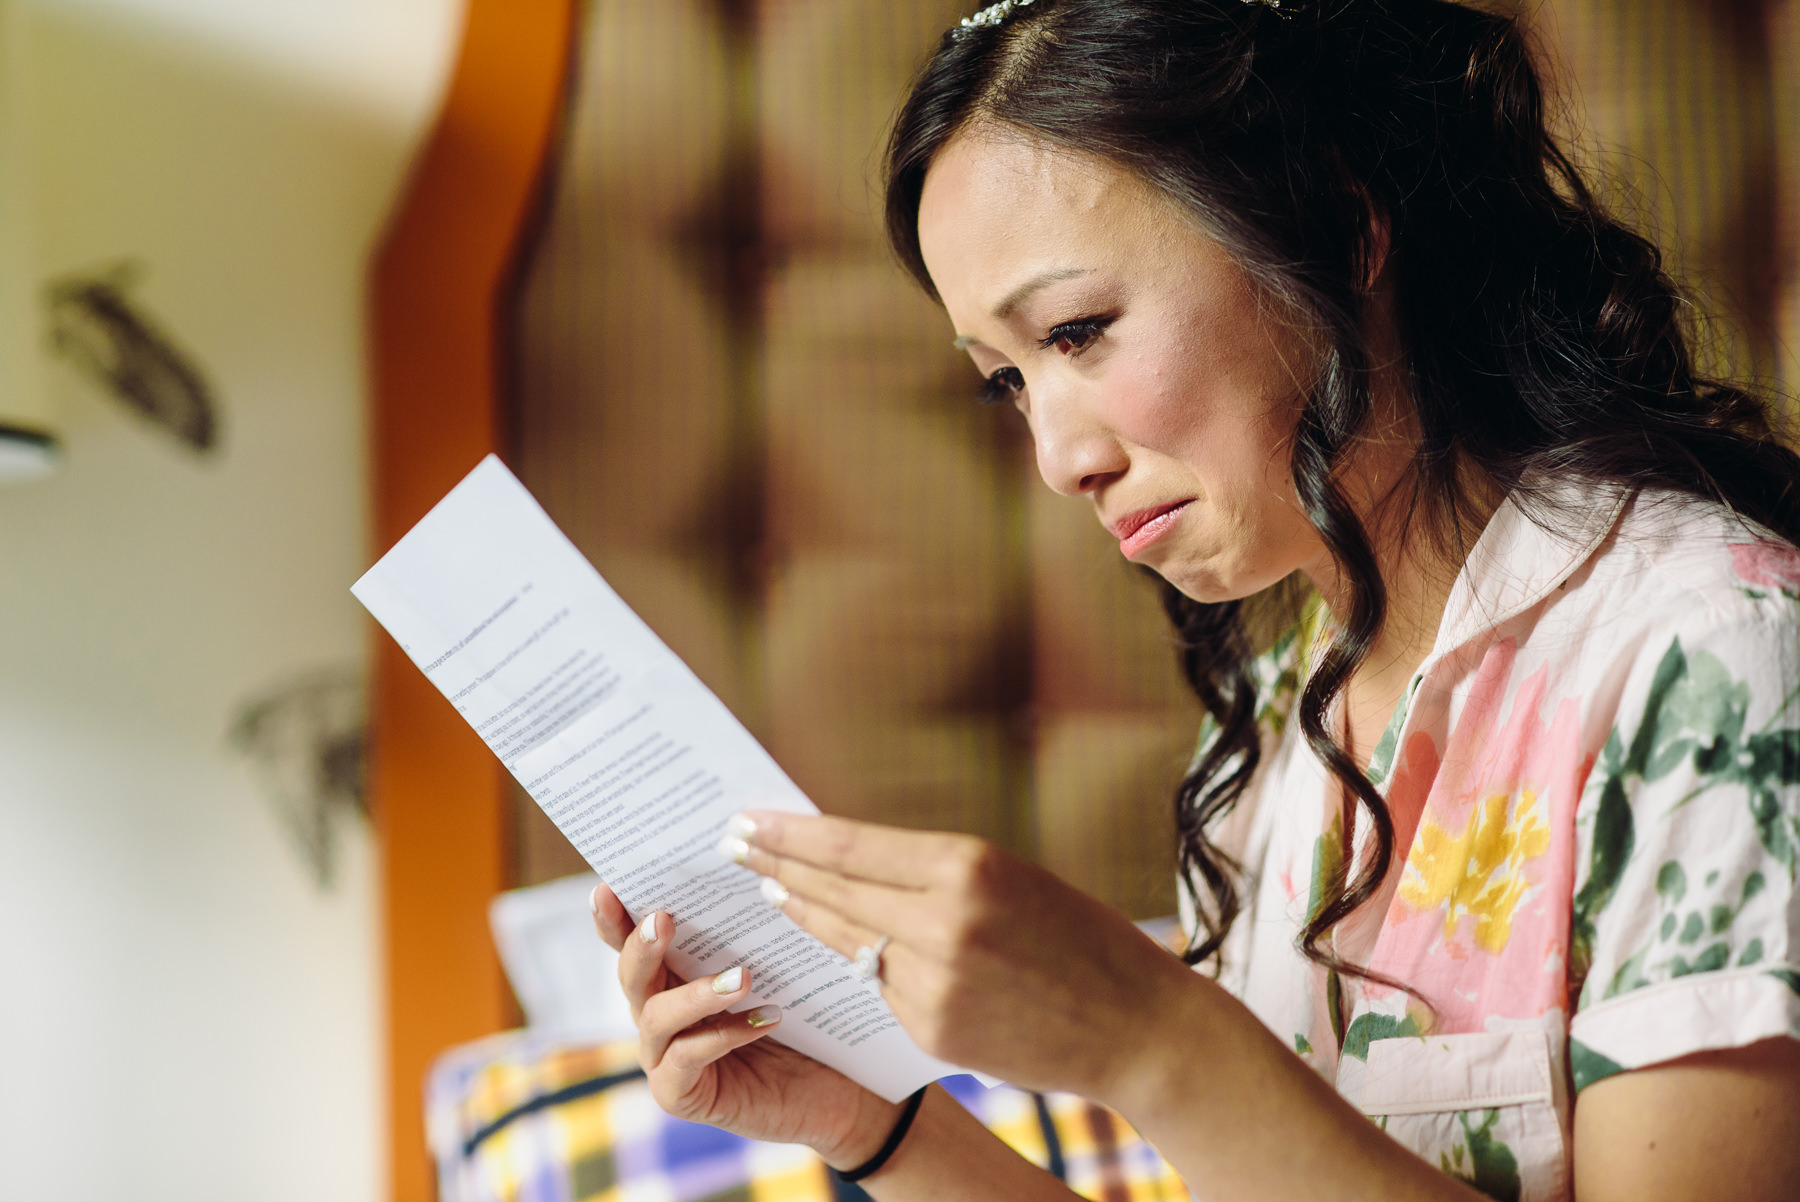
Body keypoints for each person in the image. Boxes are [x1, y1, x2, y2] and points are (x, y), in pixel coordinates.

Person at [588, 1, 1800, 1198]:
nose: (1061, 457)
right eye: (1006, 381)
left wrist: (1156, 1038)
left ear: (1334, 227)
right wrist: (876, 1128)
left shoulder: (1715, 655)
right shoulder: (1284, 721)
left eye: (1078, 330)